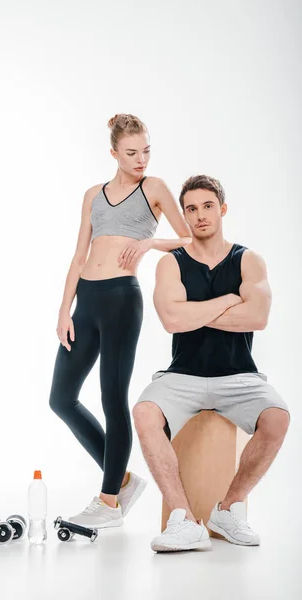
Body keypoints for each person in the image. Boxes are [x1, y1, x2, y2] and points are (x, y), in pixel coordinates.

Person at [48, 113, 192, 528]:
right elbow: (79, 255)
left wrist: (149, 242)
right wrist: (63, 310)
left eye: (146, 150)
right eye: (131, 153)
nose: (141, 159)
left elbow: (188, 240)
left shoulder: (155, 188)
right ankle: (123, 480)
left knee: (113, 398)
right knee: (61, 398)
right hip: (87, 301)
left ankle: (109, 502)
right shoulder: (93, 194)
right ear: (114, 153)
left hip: (121, 300)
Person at [133, 174, 290, 551]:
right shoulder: (171, 263)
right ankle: (184, 520)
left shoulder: (248, 260)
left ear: (222, 209)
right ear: (184, 215)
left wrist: (192, 312)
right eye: (191, 208)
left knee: (278, 417)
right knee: (143, 412)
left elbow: (258, 318)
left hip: (239, 376)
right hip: (182, 375)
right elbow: (171, 321)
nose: (200, 215)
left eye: (207, 206)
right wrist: (226, 301)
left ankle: (229, 508)